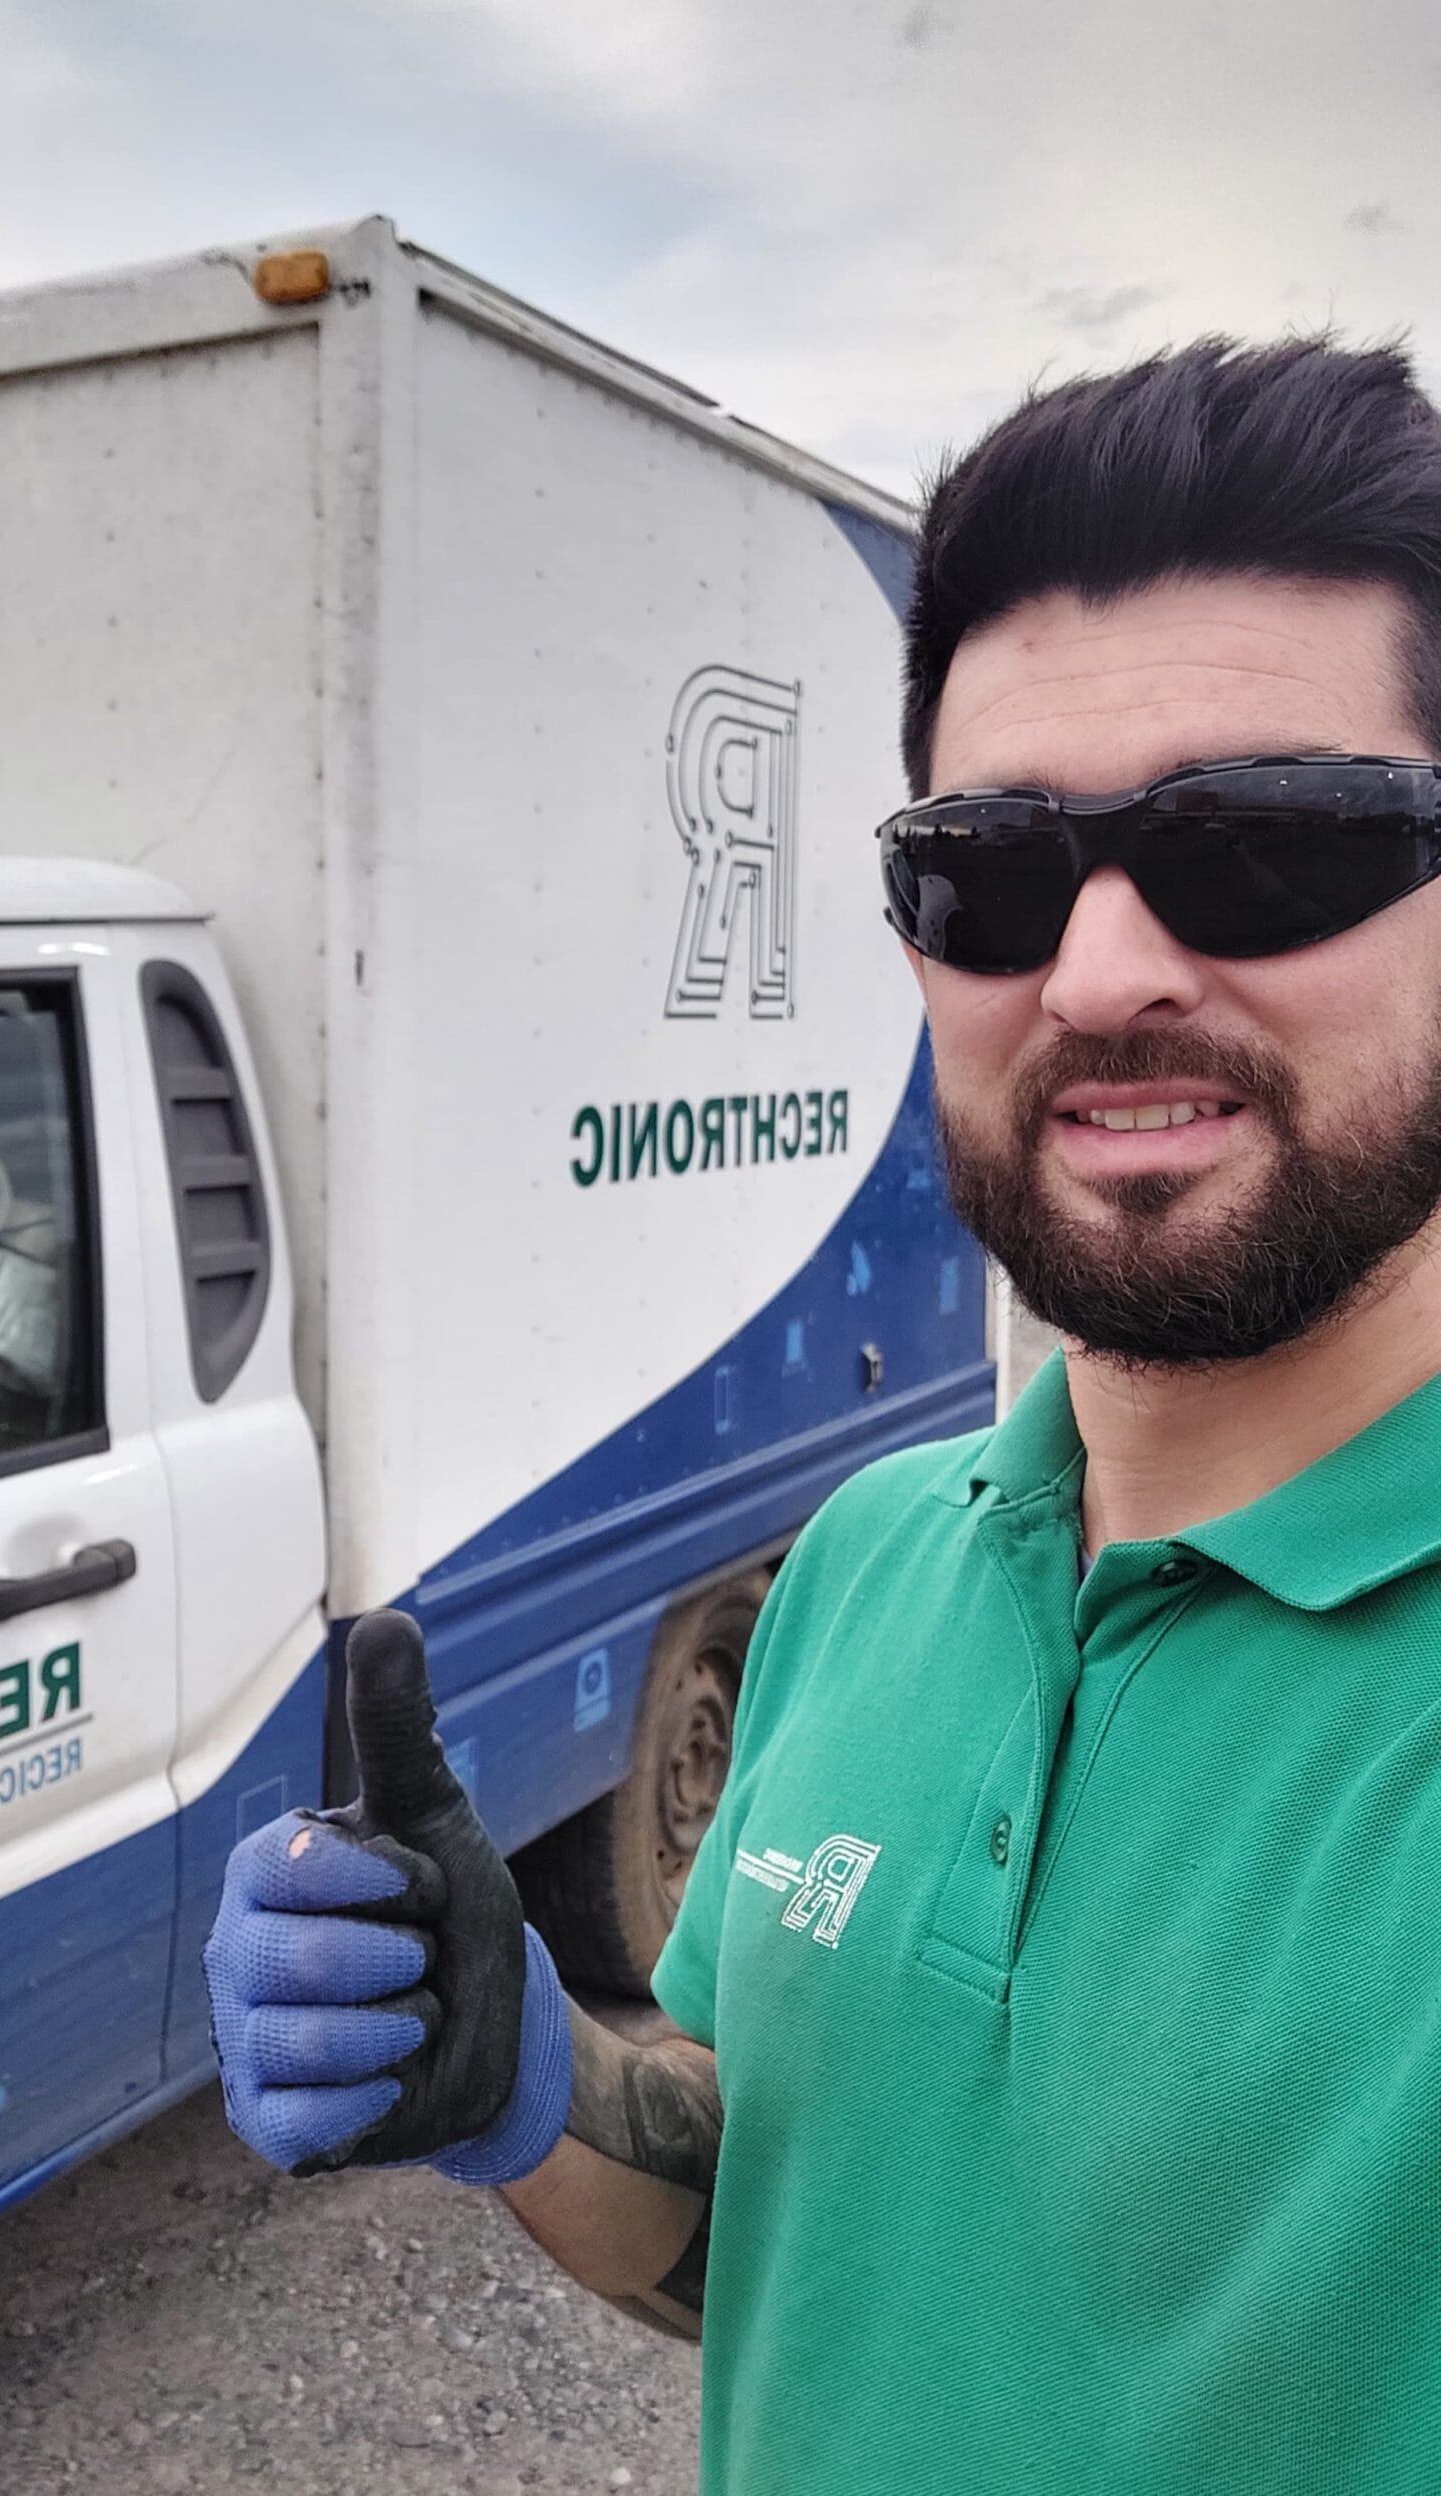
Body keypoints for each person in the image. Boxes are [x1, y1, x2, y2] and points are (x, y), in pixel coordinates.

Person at [203, 335, 1441, 2494]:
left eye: (1260, 845)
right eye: (993, 873)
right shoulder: (874, 1559)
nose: (1099, 973)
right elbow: (768, 2219)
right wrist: (525, 2082)